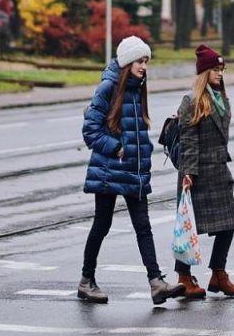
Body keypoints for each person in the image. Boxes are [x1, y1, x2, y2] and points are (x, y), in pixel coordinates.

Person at [76, 36, 180, 306]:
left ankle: (156, 282)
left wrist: (142, 159)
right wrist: (116, 149)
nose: (144, 66)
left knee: (143, 226)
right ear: (127, 63)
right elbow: (90, 130)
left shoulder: (136, 88)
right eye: (140, 61)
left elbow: (136, 130)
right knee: (102, 224)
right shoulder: (109, 87)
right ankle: (86, 281)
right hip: (110, 170)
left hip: (132, 171)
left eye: (146, 61)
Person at [173, 45, 234, 299]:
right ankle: (183, 276)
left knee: (230, 224)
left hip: (219, 172)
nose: (219, 74)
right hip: (197, 174)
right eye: (215, 69)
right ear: (204, 73)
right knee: (190, 227)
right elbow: (188, 140)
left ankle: (218, 273)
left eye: (221, 69)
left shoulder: (222, 100)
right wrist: (188, 173)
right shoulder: (192, 102)